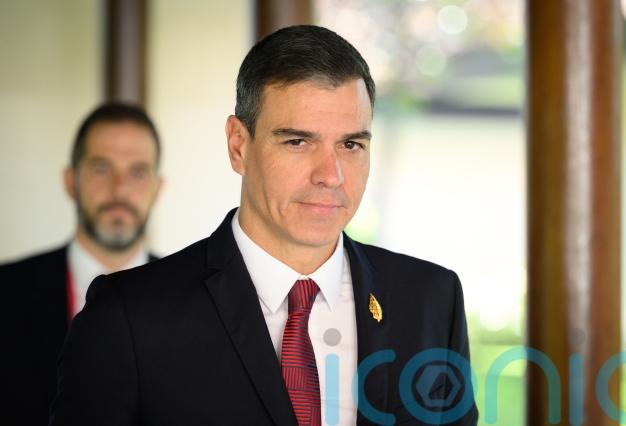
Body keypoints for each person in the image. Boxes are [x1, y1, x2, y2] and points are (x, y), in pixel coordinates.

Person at [50, 26, 478, 425]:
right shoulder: (129, 317)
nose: (331, 176)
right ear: (238, 146)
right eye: (298, 141)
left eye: (350, 144)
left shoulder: (431, 301)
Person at [0, 103, 163, 425]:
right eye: (102, 168)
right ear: (70, 181)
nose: (120, 188)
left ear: (158, 188)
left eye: (138, 172)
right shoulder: (6, 292)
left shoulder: (198, 299)